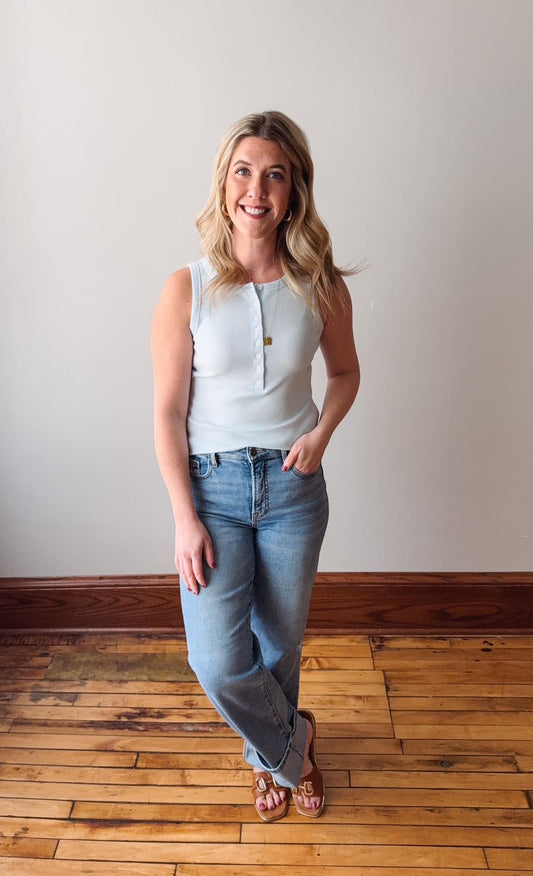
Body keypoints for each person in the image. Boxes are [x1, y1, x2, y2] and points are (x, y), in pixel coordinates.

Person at [151, 110, 360, 821]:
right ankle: (292, 748)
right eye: (244, 171)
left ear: (294, 188)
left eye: (275, 174)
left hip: (296, 488)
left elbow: (345, 376)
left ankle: (264, 762)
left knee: (279, 642)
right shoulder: (187, 286)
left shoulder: (319, 283)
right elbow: (165, 414)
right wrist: (184, 518)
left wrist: (322, 434)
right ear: (224, 182)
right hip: (212, 489)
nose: (257, 189)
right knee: (214, 659)